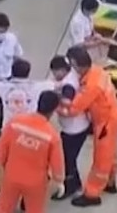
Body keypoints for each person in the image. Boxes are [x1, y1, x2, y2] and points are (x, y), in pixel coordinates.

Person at [0, 59, 53, 202]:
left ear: (11, 71)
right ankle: (26, 199)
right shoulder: (36, 87)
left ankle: (0, 194)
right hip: (29, 133)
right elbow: (52, 85)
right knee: (29, 165)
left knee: (2, 164)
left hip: (8, 133)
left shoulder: (3, 87)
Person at [60, 46, 117, 207]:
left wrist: (57, 105)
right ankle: (110, 182)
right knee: (111, 153)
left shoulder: (91, 86)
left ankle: (92, 194)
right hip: (112, 116)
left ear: (75, 64)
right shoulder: (96, 71)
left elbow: (73, 109)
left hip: (105, 122)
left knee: (101, 158)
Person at [0, 91, 66, 213]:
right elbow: (58, 166)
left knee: (3, 207)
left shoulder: (15, 122)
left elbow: (1, 146)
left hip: (11, 176)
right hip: (36, 183)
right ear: (54, 110)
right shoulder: (52, 135)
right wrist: (59, 181)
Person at [49, 56, 90, 199]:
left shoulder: (68, 85)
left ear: (61, 70)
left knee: (68, 159)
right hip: (77, 127)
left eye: (55, 72)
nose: (54, 75)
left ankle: (71, 186)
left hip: (74, 129)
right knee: (69, 157)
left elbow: (66, 101)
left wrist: (54, 96)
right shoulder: (72, 73)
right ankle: (75, 183)